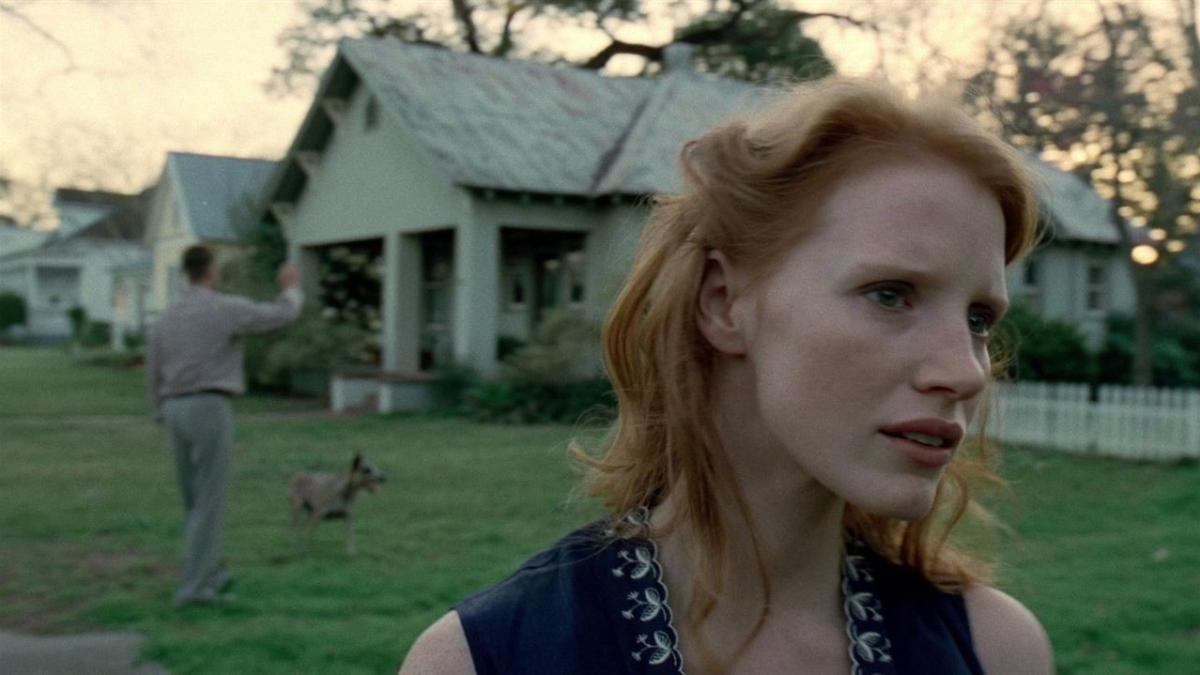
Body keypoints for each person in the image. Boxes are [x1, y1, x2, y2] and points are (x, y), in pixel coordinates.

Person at [399, 78, 1055, 674]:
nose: (966, 371)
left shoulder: (997, 652)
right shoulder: (486, 659)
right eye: (890, 294)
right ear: (724, 302)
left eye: (978, 318)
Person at [147, 244, 303, 607]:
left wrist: (159, 409)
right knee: (210, 500)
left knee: (193, 500)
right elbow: (279, 316)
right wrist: (291, 288)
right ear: (210, 272)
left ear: (186, 273)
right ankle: (195, 589)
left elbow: (153, 369)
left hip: (173, 406)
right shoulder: (222, 308)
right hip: (208, 405)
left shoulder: (167, 316)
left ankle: (210, 572)